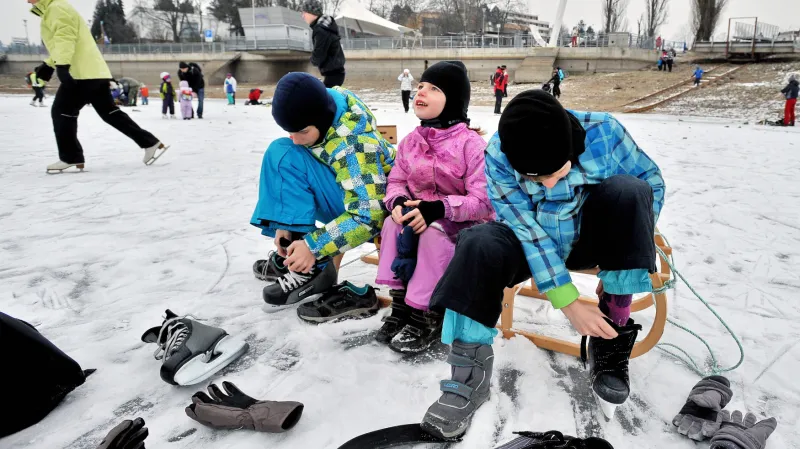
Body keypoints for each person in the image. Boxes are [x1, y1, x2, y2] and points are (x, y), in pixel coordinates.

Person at [418, 90, 665, 440]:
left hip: (588, 237)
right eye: (536, 179)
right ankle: (468, 374)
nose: (549, 184)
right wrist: (566, 299)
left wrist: (622, 254)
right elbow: (525, 228)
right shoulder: (498, 153)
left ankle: (611, 332)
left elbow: (651, 184)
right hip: (530, 238)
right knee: (477, 243)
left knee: (630, 190)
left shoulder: (605, 132)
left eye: (557, 171)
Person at [362, 61, 494, 353]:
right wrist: (396, 201)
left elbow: (484, 202)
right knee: (391, 224)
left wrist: (439, 209)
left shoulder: (470, 145)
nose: (421, 91)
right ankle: (401, 306)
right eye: (421, 85)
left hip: (462, 223)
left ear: (453, 101)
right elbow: (397, 179)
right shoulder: (411, 142)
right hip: (419, 215)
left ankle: (427, 313)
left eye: (434, 88)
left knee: (434, 232)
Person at [251, 73, 395, 310]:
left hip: (377, 211)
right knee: (281, 151)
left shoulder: (354, 146)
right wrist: (286, 225)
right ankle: (296, 251)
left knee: (287, 153)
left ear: (321, 118)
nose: (296, 139)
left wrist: (314, 247)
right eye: (290, 131)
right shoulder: (326, 104)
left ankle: (313, 263)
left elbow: (369, 216)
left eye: (303, 131)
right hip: (346, 191)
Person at [29, 0, 167, 173]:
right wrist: (49, 64)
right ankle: (150, 142)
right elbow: (64, 44)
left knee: (62, 112)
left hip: (81, 74)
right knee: (110, 113)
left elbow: (65, 39)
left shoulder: (56, 8)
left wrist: (62, 66)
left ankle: (71, 157)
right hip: (94, 72)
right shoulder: (57, 8)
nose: (26, 1)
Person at [301, 0, 346, 88]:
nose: (303, 16)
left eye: (304, 13)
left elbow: (319, 55)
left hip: (333, 73)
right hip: (337, 72)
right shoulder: (327, 25)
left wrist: (312, 60)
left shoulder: (320, 30)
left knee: (323, 99)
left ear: (312, 12)